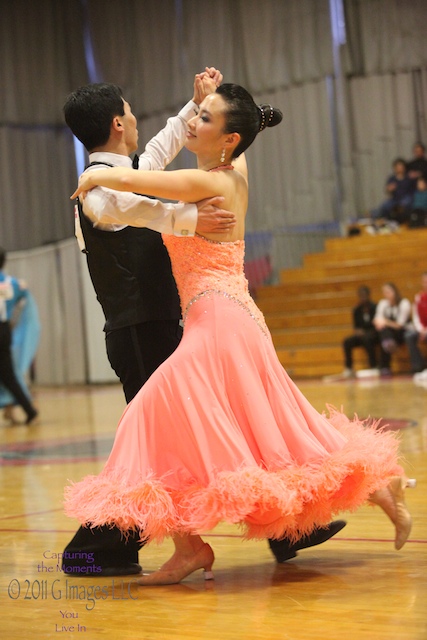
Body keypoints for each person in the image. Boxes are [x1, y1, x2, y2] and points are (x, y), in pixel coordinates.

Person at [65, 84, 413, 586]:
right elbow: (148, 177)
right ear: (118, 123)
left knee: (165, 419)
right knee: (278, 427)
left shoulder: (201, 182)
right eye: (196, 116)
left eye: (203, 118)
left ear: (227, 139)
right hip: (225, 318)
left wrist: (95, 174)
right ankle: (379, 487)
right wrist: (199, 109)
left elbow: (142, 180)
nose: (190, 123)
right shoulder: (226, 169)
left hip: (217, 322)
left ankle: (181, 546)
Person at [0, 247, 39, 425]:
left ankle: (28, 409)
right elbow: (24, 299)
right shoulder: (13, 283)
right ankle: (22, 410)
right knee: (8, 374)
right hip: (4, 331)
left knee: (8, 375)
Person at [325, 286, 378, 381]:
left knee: (367, 339)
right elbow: (356, 327)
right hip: (361, 335)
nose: (363, 298)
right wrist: (358, 332)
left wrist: (366, 332)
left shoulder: (375, 307)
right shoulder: (356, 310)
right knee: (347, 341)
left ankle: (373, 366)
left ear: (369, 296)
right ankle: (348, 368)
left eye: (364, 295)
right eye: (361, 296)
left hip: (373, 334)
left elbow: (376, 325)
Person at [373, 283, 412, 376]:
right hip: (388, 333)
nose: (386, 294)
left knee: (385, 334)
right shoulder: (383, 303)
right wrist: (381, 323)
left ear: (395, 291)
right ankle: (388, 345)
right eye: (384, 292)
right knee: (383, 333)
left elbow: (399, 325)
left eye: (388, 292)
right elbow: (376, 319)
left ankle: (384, 366)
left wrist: (385, 322)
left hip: (402, 332)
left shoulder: (404, 303)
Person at [371, 158, 415, 223]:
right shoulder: (392, 178)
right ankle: (375, 216)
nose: (399, 168)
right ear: (395, 168)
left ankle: (397, 215)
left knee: (405, 202)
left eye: (401, 166)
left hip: (406, 199)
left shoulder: (409, 177)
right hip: (395, 199)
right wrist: (389, 189)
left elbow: (413, 190)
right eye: (398, 167)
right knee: (385, 205)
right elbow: (387, 191)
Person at [405, 272, 427, 379]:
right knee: (409, 336)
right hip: (422, 329)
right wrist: (421, 329)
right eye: (424, 281)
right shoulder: (419, 297)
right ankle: (419, 366)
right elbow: (416, 317)